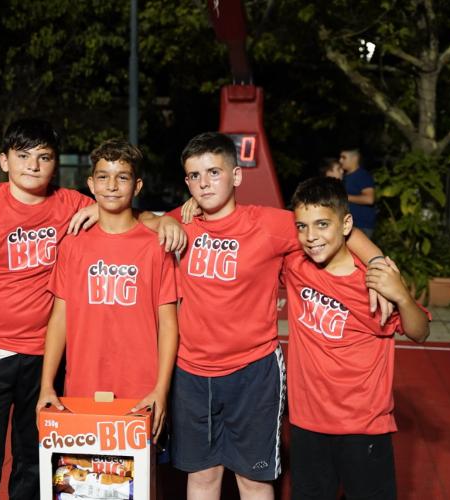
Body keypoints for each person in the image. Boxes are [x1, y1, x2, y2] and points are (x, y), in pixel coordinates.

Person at [0, 118, 184, 499]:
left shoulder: (71, 203)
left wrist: (159, 220)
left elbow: (121, 207)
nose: (33, 165)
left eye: (44, 157)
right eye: (23, 156)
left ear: (55, 164)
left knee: (33, 461)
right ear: (4, 161)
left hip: (43, 356)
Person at [165, 132, 386, 500]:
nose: (204, 183)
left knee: (253, 480)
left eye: (214, 172)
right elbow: (136, 221)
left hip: (252, 371)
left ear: (236, 175)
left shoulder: (269, 224)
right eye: (194, 176)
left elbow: (334, 228)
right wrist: (153, 219)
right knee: (202, 477)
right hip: (191, 372)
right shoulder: (180, 221)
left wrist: (378, 264)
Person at [283, 176, 430, 499]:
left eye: (322, 225)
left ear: (346, 224)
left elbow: (420, 331)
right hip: (307, 422)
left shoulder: (375, 281)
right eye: (302, 227)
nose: (311, 236)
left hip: (363, 425)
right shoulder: (295, 265)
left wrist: (403, 297)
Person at [36, 138, 178, 440]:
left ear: (137, 186)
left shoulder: (156, 245)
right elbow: (59, 317)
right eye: (103, 177)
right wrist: (47, 384)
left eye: (122, 177)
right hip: (82, 386)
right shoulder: (73, 244)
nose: (112, 185)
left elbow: (168, 323)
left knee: (142, 470)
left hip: (141, 390)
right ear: (91, 184)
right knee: (83, 467)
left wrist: (161, 389)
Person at [340, 148, 376, 237]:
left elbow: (369, 199)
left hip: (361, 226)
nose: (340, 160)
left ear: (355, 158)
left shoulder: (362, 175)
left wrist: (344, 196)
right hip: (348, 224)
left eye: (344, 157)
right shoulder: (344, 176)